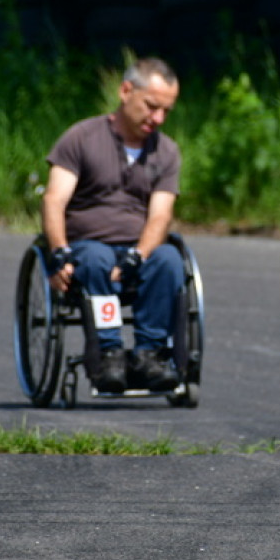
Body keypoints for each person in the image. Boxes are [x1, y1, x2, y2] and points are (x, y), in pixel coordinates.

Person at [42, 57, 185, 393]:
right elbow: (54, 200)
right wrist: (59, 252)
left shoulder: (166, 151)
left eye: (166, 111)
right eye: (151, 107)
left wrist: (138, 255)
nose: (158, 118)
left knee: (168, 259)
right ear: (125, 91)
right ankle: (109, 353)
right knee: (96, 260)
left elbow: (160, 215)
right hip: (87, 247)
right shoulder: (81, 138)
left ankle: (150, 353)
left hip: (138, 248)